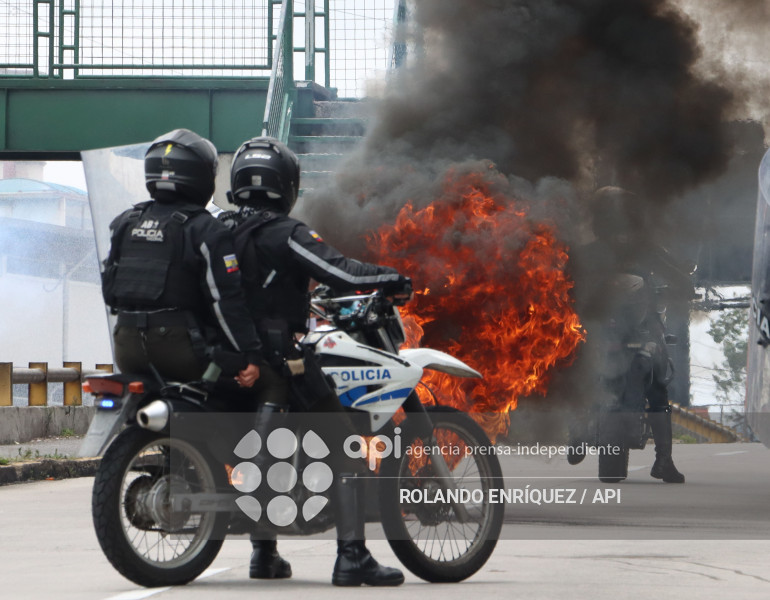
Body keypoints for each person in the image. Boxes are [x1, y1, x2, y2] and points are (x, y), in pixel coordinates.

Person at [219, 136, 412, 586]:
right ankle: (352, 558)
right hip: (277, 357)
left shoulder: (218, 228)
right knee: (347, 447)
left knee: (272, 447)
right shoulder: (286, 233)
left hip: (226, 357)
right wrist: (392, 277)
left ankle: (264, 555)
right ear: (285, 185)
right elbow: (339, 269)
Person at [101, 128, 262, 389]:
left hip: (125, 346)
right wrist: (250, 354)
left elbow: (110, 292)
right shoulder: (206, 229)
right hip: (180, 351)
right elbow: (225, 301)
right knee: (243, 387)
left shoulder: (125, 222)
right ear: (201, 175)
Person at [569, 186, 689, 483]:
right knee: (658, 389)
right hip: (639, 331)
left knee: (575, 369)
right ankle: (663, 460)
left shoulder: (587, 252)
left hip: (595, 330)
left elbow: (562, 282)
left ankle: (576, 432)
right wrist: (684, 288)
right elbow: (682, 281)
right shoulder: (645, 250)